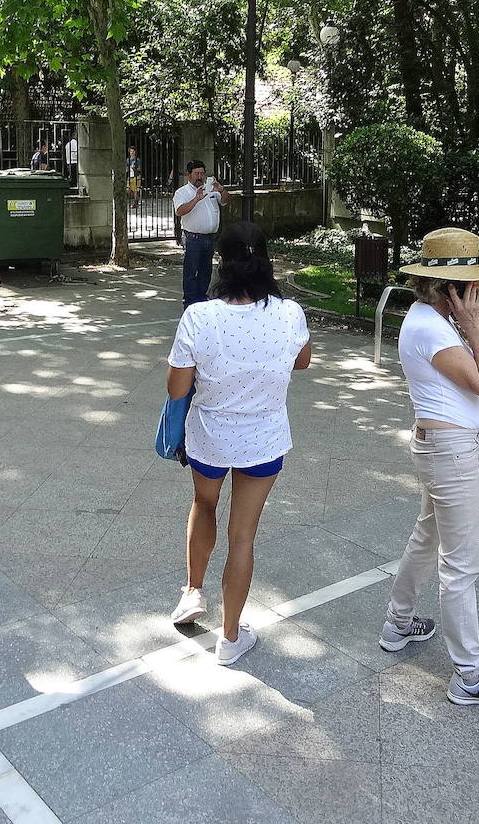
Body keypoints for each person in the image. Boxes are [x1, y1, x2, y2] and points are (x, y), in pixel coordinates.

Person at [382, 227, 479, 707]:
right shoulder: (430, 328)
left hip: (443, 448)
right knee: (462, 565)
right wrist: (478, 333)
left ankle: (398, 624)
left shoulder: (429, 321)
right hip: (450, 453)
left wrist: (467, 327)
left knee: (427, 537)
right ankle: (470, 675)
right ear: (453, 290)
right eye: (475, 288)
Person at [165, 221, 312, 666]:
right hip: (264, 442)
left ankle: (192, 593)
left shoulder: (199, 317)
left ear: (221, 261)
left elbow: (175, 390)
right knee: (243, 535)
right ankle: (230, 640)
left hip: (209, 439)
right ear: (266, 260)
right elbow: (302, 361)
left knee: (204, 505)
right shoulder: (290, 313)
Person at [172, 160, 230, 308]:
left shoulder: (210, 189)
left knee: (206, 271)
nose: (200, 177)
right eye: (196, 174)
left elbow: (225, 201)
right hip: (193, 238)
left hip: (210, 238)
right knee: (191, 271)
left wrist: (221, 189)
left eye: (202, 174)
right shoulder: (182, 192)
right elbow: (180, 211)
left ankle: (201, 299)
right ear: (188, 175)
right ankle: (190, 302)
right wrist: (196, 199)